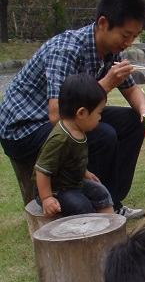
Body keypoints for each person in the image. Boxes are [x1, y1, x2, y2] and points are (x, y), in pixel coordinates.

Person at [0, 0, 145, 219]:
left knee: (132, 122)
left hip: (64, 116)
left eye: (134, 36)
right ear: (103, 23)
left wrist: (144, 109)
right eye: (125, 35)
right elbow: (57, 115)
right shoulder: (66, 50)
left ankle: (111, 201)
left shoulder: (112, 51)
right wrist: (106, 84)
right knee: (103, 134)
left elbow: (132, 90)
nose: (129, 42)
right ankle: (90, 205)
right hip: (26, 128)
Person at [33, 73, 114, 217]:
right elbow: (42, 169)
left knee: (101, 192)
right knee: (81, 205)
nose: (100, 118)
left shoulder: (78, 130)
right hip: (55, 189)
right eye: (98, 113)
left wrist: (85, 172)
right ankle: (91, 234)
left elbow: (74, 160)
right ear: (81, 113)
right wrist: (47, 198)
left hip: (74, 183)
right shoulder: (60, 139)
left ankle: (111, 228)